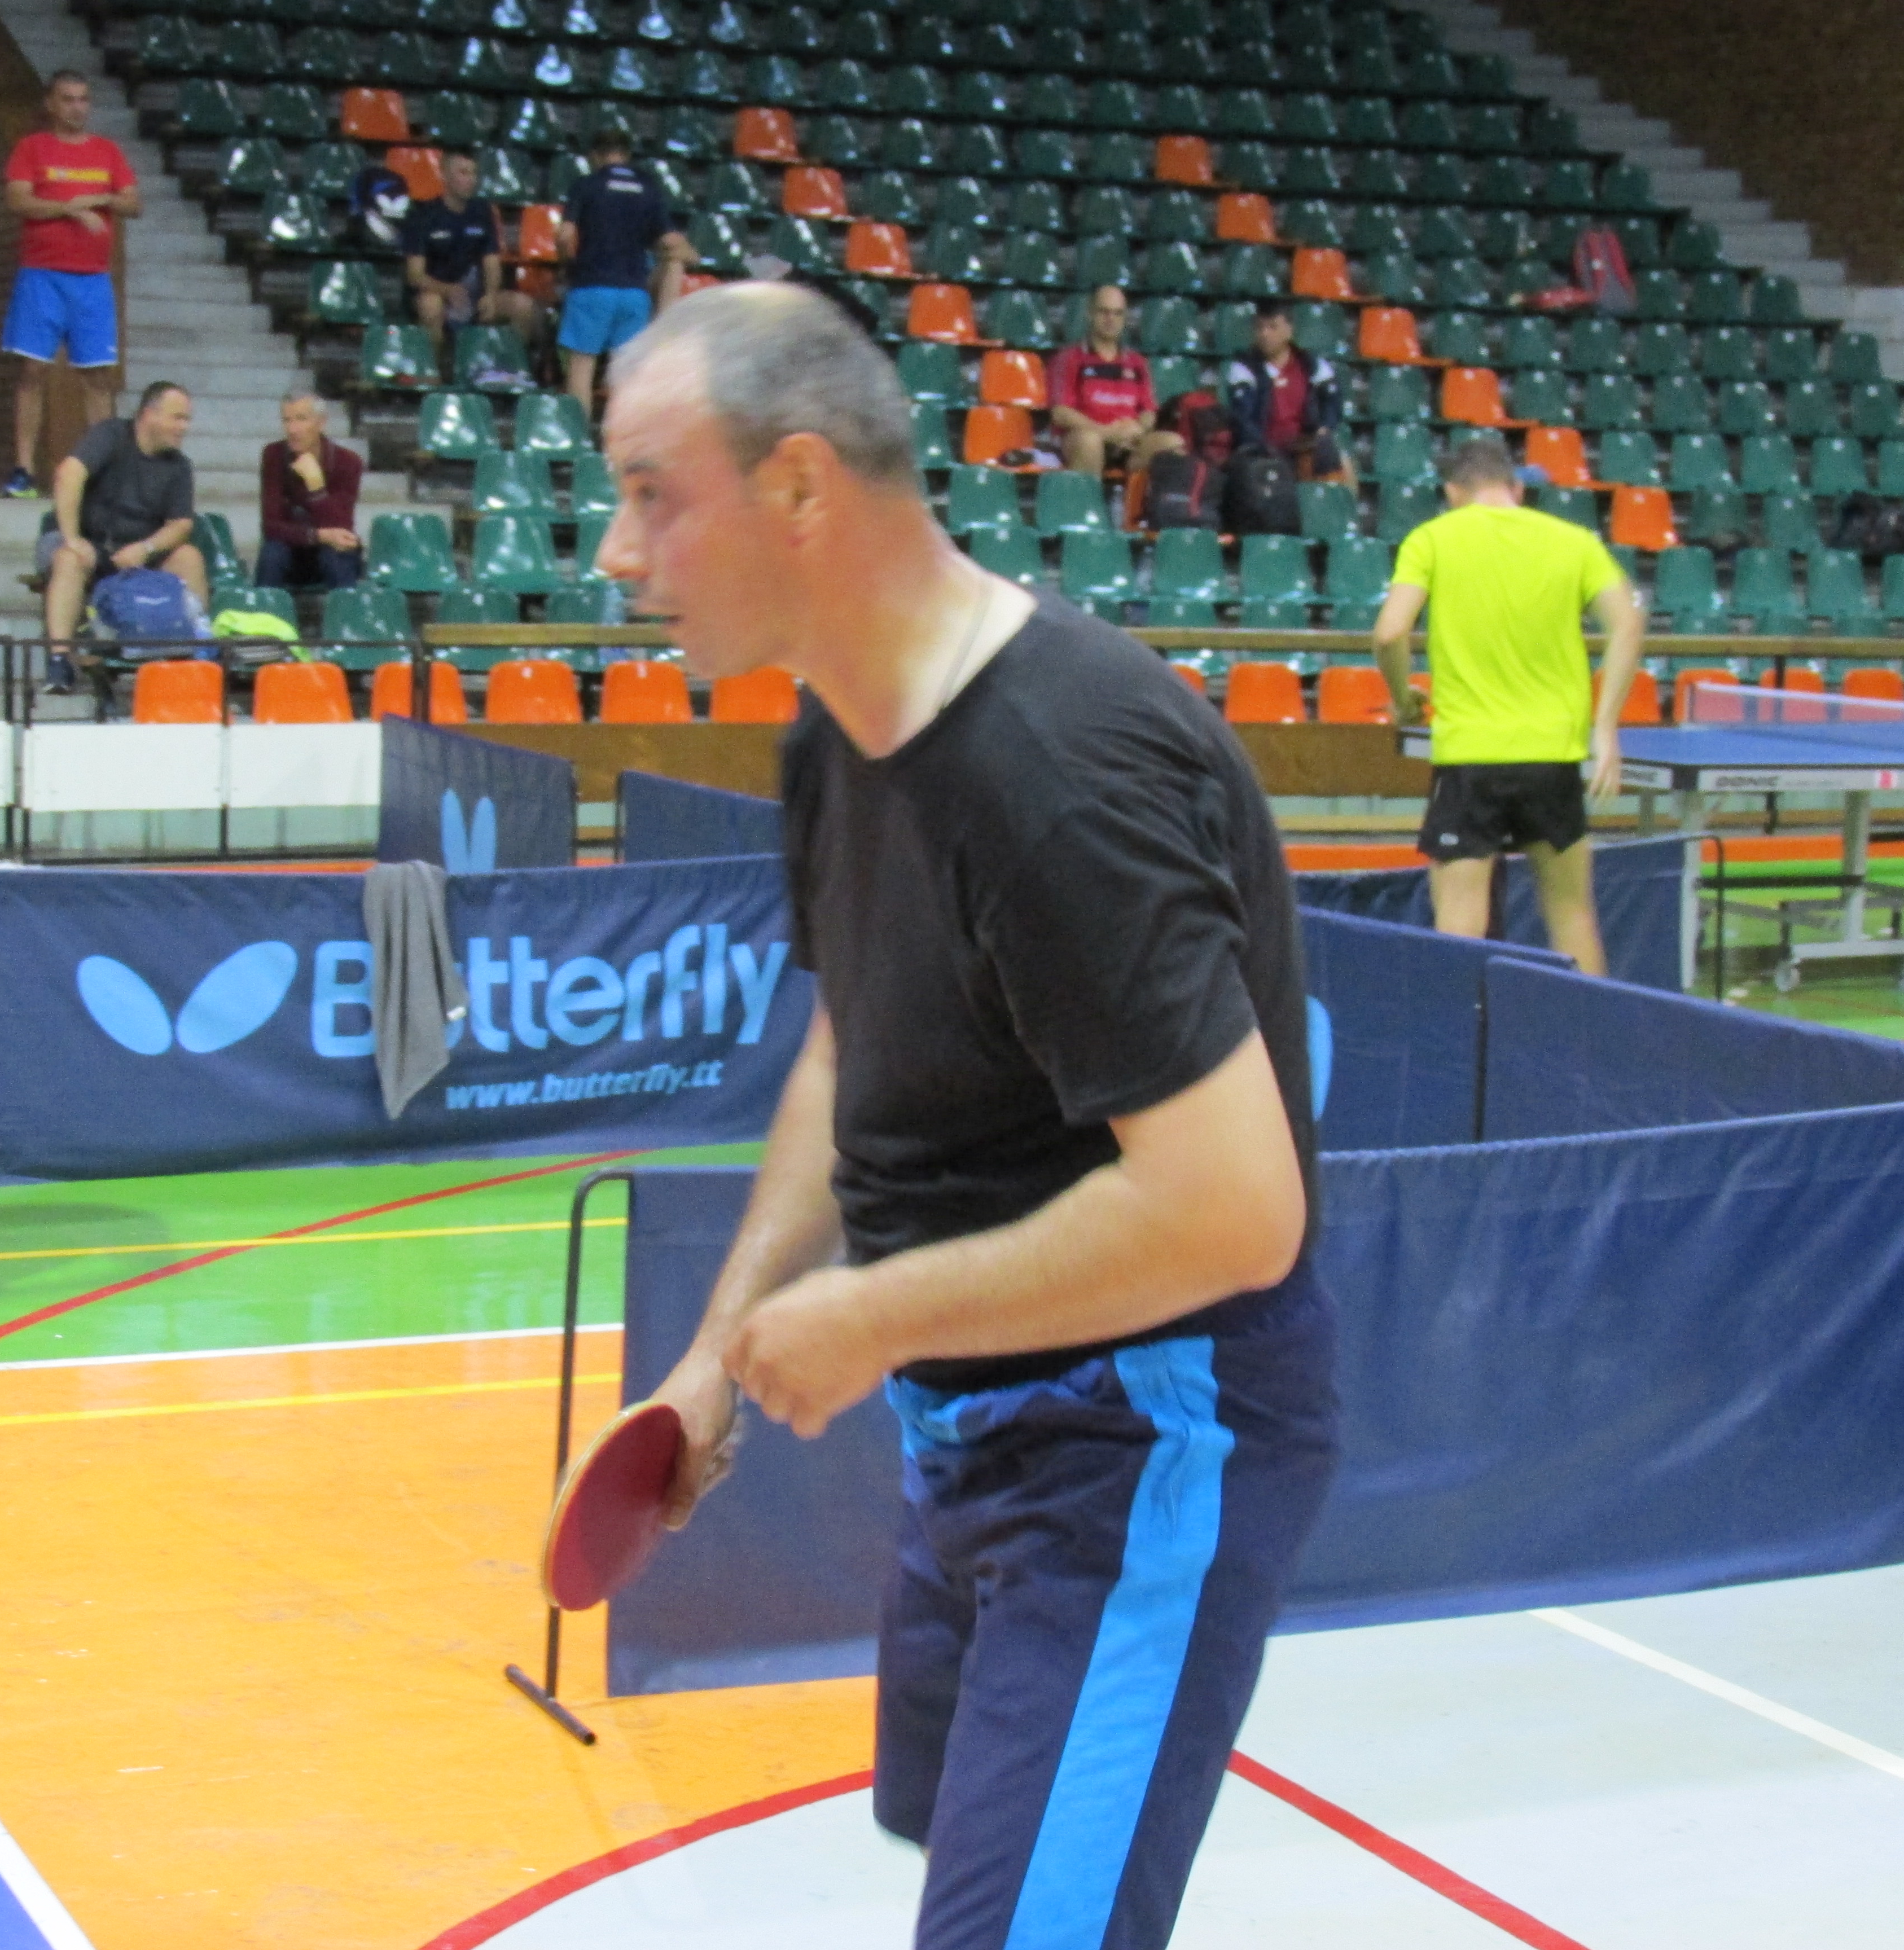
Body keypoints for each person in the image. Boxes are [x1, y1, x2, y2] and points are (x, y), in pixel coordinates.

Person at [598, 283, 1339, 1950]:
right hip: (965, 1432)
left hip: (1143, 1441)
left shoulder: (1060, 776)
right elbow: (850, 1048)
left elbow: (1235, 1212)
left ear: (799, 486)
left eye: (653, 493)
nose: (617, 552)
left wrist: (871, 1313)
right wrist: (718, 1354)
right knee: (964, 1857)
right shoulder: (840, 730)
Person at [1373, 437, 1645, 976]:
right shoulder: (1574, 541)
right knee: (1572, 915)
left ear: (1453, 493)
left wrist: (1403, 700)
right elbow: (1629, 623)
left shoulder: (1432, 539)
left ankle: (1459, 1028)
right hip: (1553, 755)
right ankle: (1591, 1027)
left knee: (1459, 922)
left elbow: (1389, 633)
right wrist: (1605, 726)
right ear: (1517, 488)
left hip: (1470, 758)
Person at [0, 68, 139, 499]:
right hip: (42, 275)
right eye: (68, 99)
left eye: (83, 99)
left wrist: (100, 199)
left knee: (98, 377)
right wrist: (70, 209)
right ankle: (23, 469)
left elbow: (133, 202)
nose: (77, 108)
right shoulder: (32, 148)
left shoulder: (106, 151)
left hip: (93, 280)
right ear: (51, 104)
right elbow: (18, 200)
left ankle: (104, 470)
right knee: (33, 371)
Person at [39, 381, 203, 687]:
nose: (184, 427)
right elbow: (69, 473)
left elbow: (181, 525)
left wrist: (146, 548)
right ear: (149, 414)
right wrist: (73, 538)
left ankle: (196, 653)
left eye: (187, 419)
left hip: (139, 553)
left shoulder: (180, 466)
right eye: (177, 418)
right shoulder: (111, 435)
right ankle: (60, 660)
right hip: (92, 542)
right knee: (68, 558)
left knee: (189, 558)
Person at [556, 129, 691, 415]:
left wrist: (567, 264)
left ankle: (579, 436)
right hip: (634, 293)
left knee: (582, 368)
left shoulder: (587, 185)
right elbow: (671, 242)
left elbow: (565, 235)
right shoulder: (648, 187)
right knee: (626, 378)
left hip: (593, 286)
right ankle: (622, 439)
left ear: (594, 156)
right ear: (627, 155)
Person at [400, 152, 537, 369]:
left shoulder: (482, 212)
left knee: (523, 307)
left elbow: (492, 262)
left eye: (474, 173)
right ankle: (434, 371)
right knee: (430, 305)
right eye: (463, 173)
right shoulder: (423, 216)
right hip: (438, 292)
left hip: (473, 294)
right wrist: (448, 291)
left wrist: (491, 295)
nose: (471, 179)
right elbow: (415, 275)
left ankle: (509, 369)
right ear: (445, 175)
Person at [1047, 286, 1183, 479]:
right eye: (1104, 312)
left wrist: (1138, 428)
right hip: (1084, 438)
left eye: (1118, 314)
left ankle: (1147, 499)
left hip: (1129, 443)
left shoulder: (1138, 362)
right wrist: (1105, 432)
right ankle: (1089, 499)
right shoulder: (1069, 358)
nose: (1111, 319)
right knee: (1089, 442)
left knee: (1173, 443)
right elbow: (1061, 414)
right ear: (1090, 314)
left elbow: (1149, 412)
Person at [1223, 302, 1354, 488]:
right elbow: (1243, 421)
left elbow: (1332, 402)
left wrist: (1325, 428)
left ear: (1289, 331)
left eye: (1273, 327)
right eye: (1260, 328)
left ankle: (1336, 505)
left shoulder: (1311, 364)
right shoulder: (1244, 368)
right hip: (1263, 452)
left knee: (1342, 463)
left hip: (1303, 449)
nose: (1265, 334)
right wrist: (1265, 449)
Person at [257, 391, 363, 592]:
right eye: (287, 420)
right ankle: (263, 610)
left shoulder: (348, 462)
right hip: (290, 552)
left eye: (301, 419)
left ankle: (346, 610)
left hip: (329, 555)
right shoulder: (274, 455)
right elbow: (271, 526)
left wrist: (316, 487)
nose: (292, 429)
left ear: (321, 423)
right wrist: (320, 536)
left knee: (337, 554)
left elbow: (341, 528)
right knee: (273, 553)